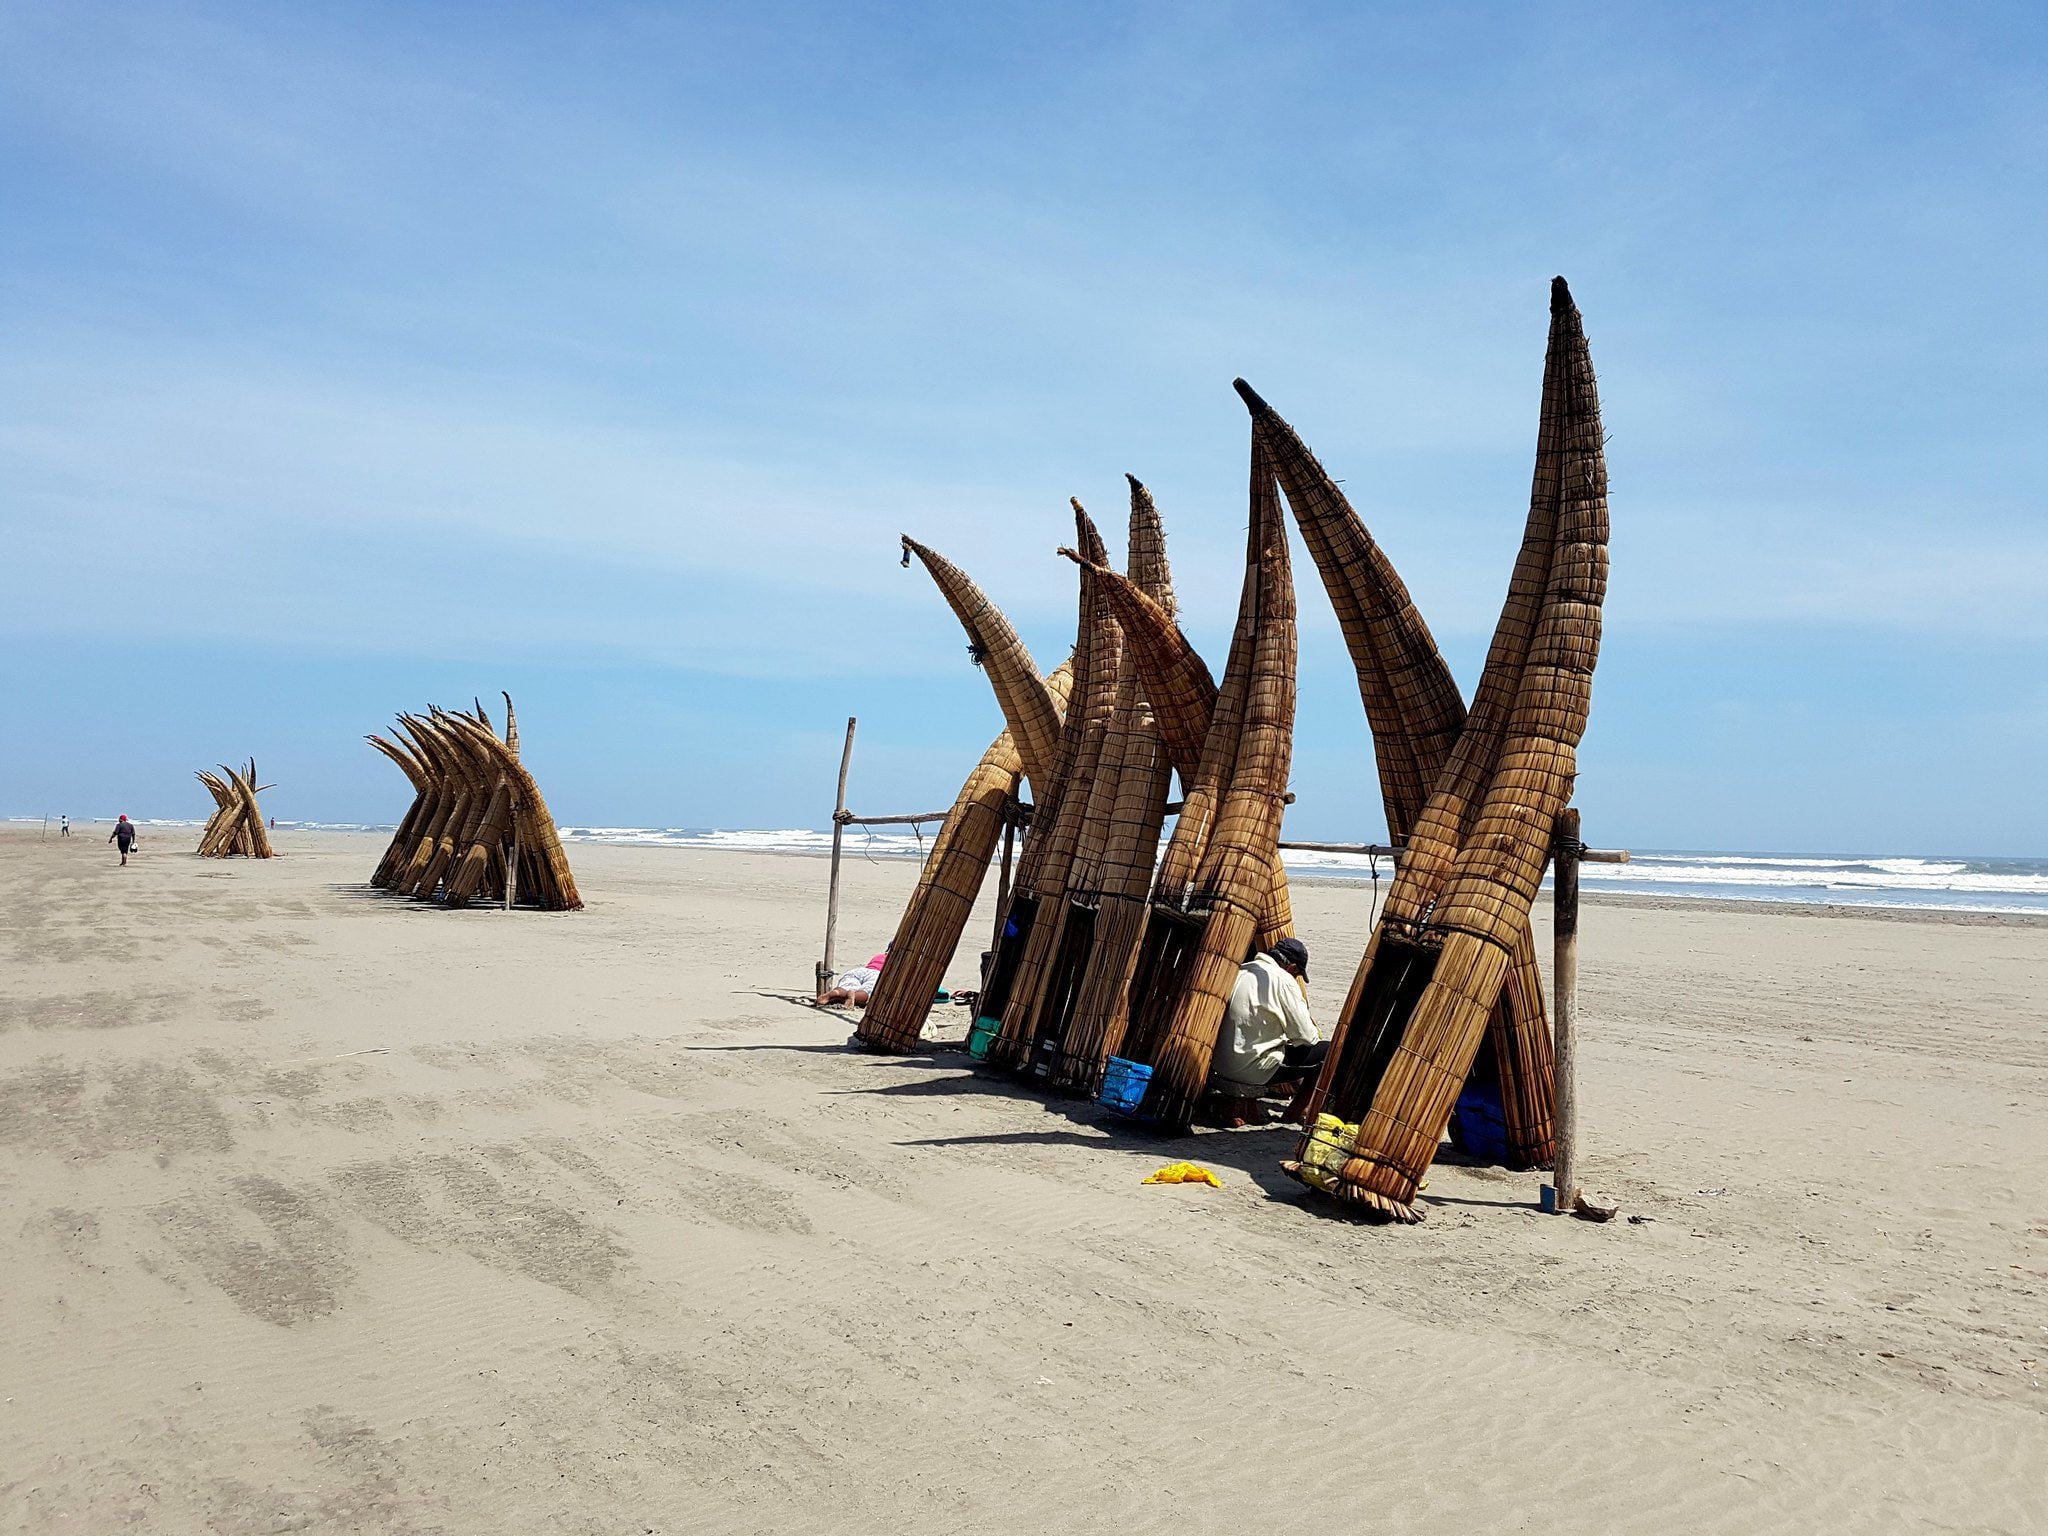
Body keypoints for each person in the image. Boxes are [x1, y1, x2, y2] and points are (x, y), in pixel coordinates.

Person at [1205, 937, 1323, 1127]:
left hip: (1219, 1062)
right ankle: (1295, 1113)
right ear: (1292, 968)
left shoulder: (1241, 969)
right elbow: (1307, 1037)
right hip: (1251, 1069)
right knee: (1327, 1052)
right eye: (1297, 974)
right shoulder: (1283, 979)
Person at [818, 947, 889, 1008]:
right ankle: (854, 995)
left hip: (859, 971)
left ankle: (837, 992)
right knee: (866, 992)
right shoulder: (893, 960)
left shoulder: (879, 956)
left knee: (846, 988)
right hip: (877, 974)